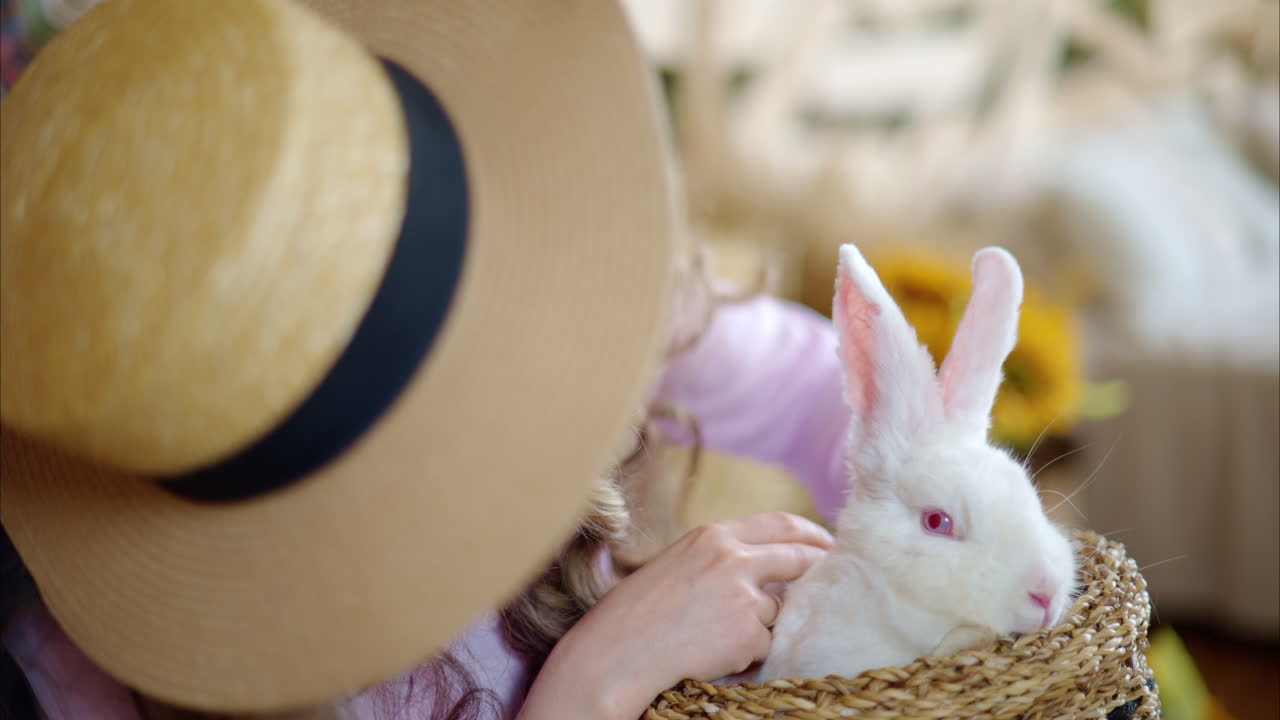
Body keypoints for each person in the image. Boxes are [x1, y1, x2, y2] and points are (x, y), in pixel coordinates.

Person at [0, 1, 853, 719]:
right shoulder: (76, 681)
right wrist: (594, 685)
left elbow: (817, 389)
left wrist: (901, 562)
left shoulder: (557, 269)